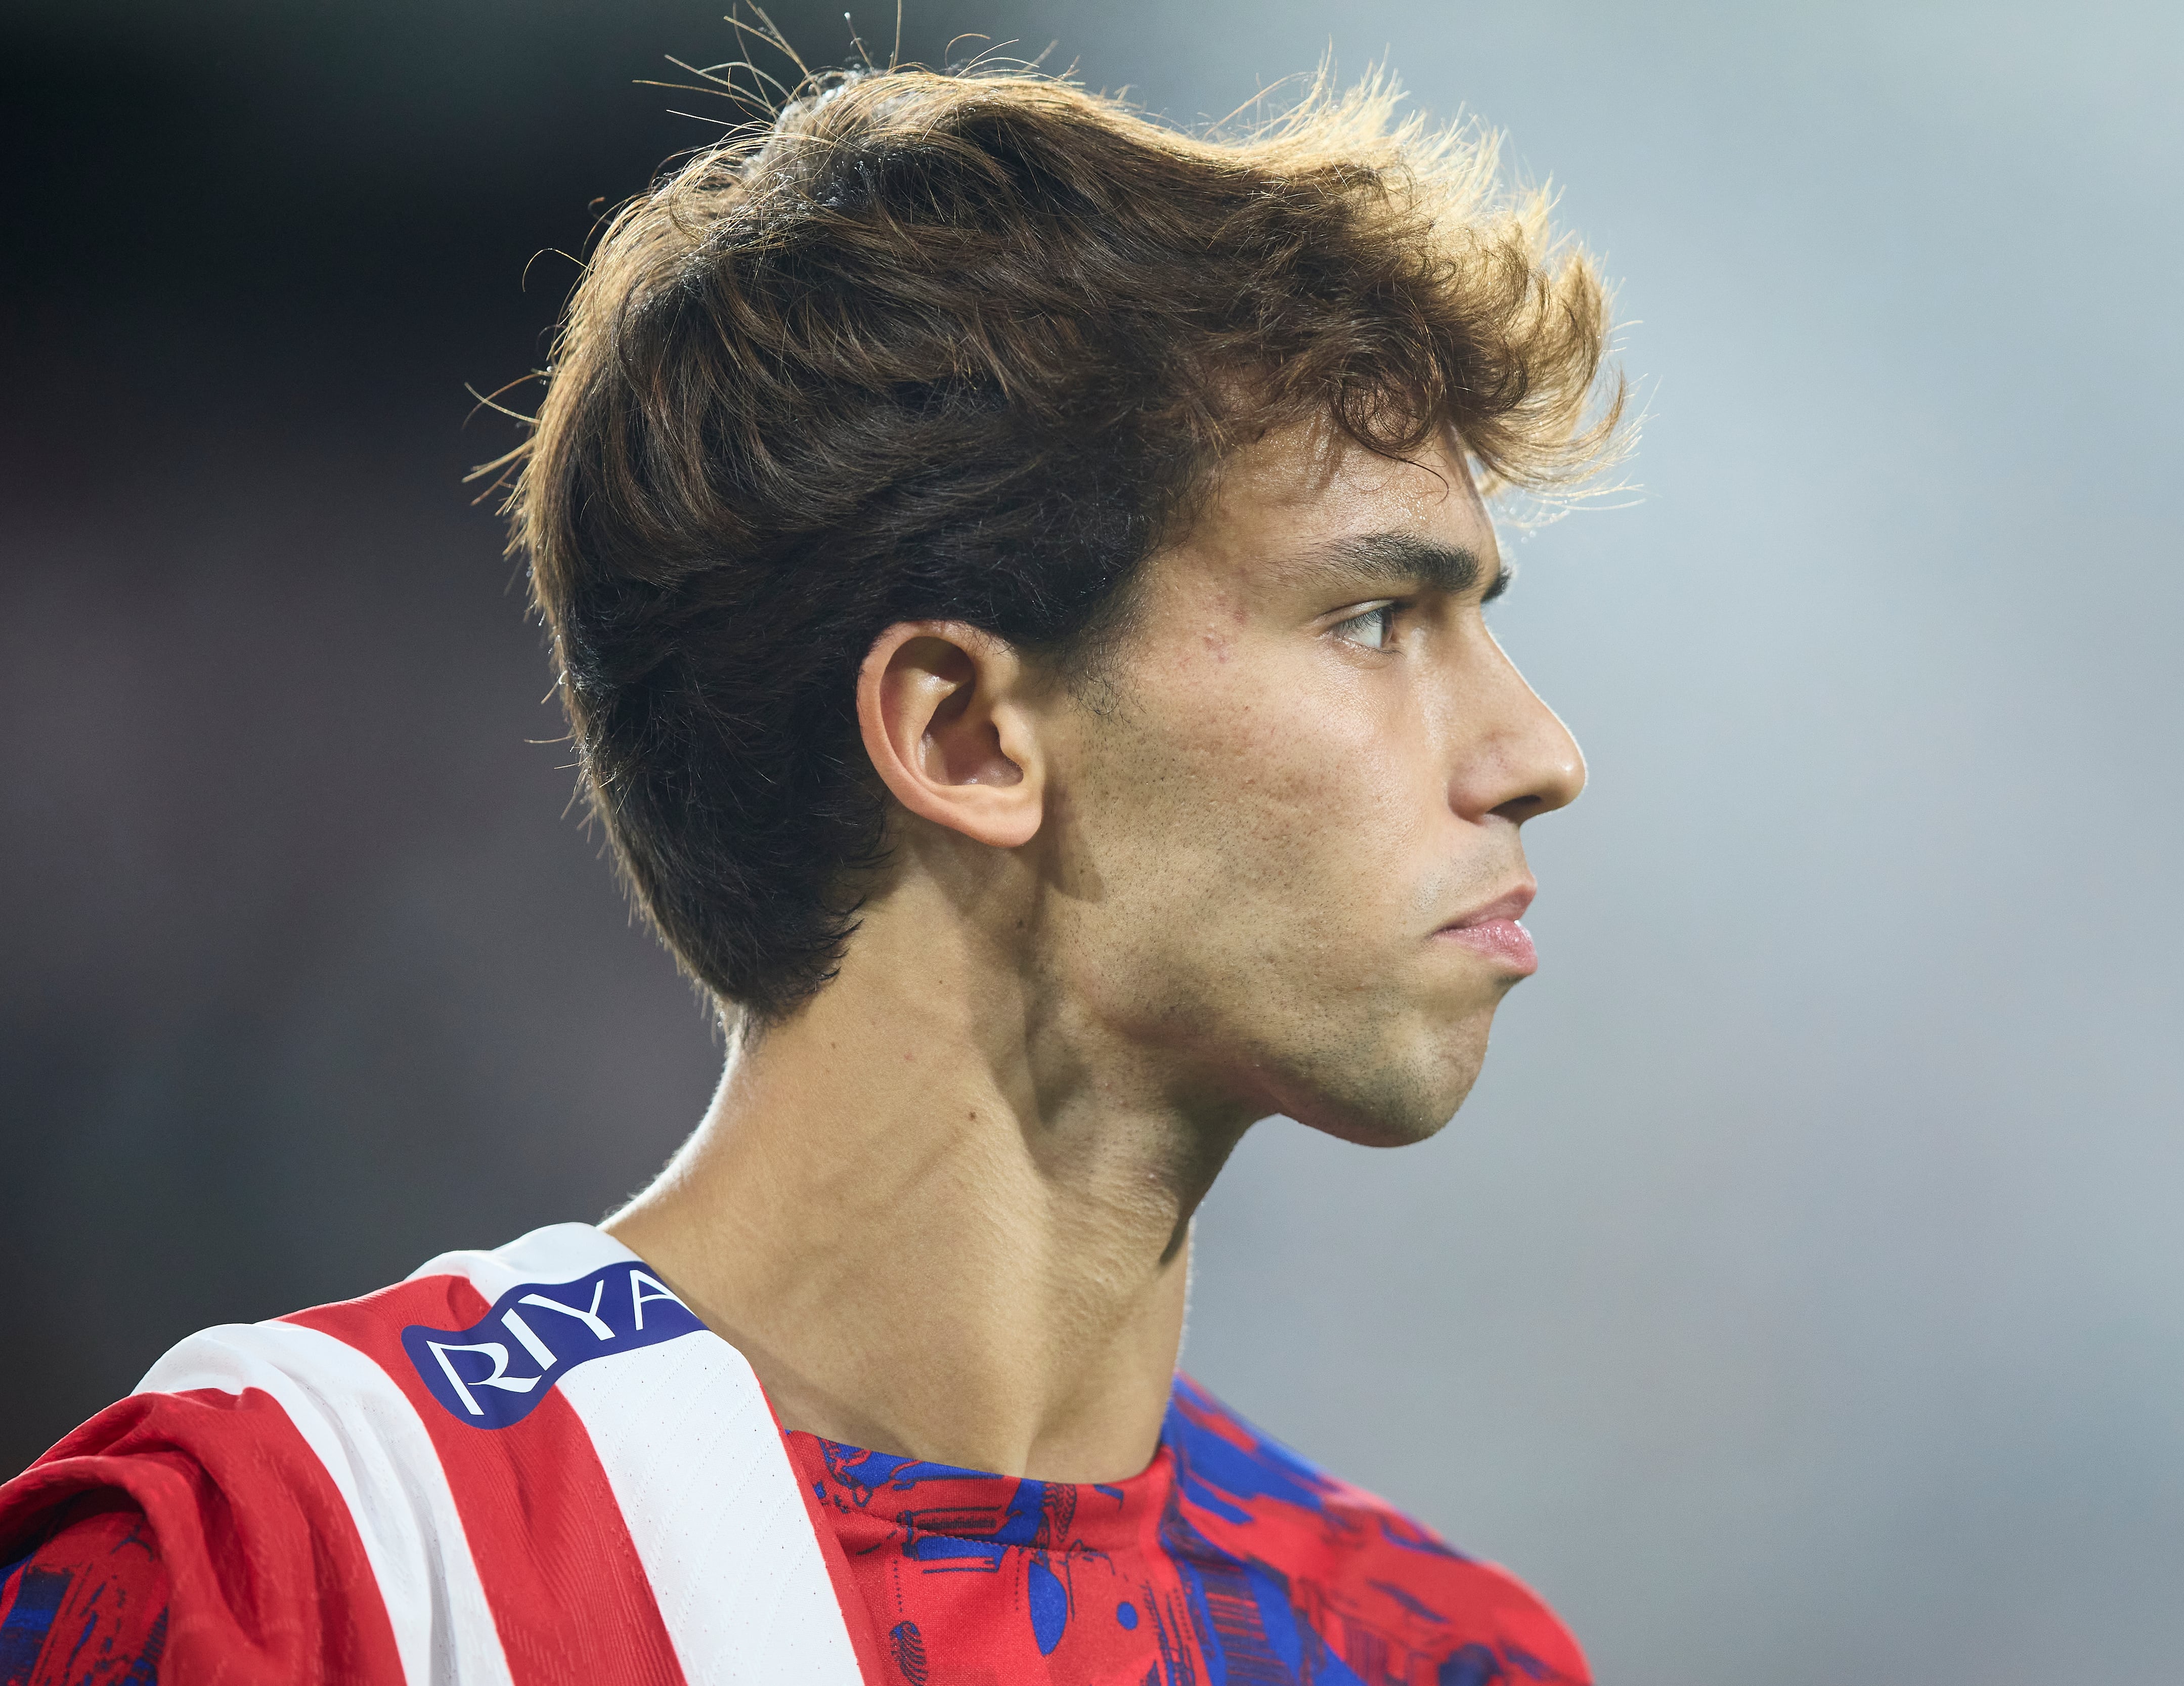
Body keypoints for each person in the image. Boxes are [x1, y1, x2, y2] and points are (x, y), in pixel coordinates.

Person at [0, 52, 1624, 1686]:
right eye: (1371, 620)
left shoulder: (1433, 1656)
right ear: (967, 733)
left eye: (1482, 621)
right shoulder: (291, 1577)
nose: (1539, 754)